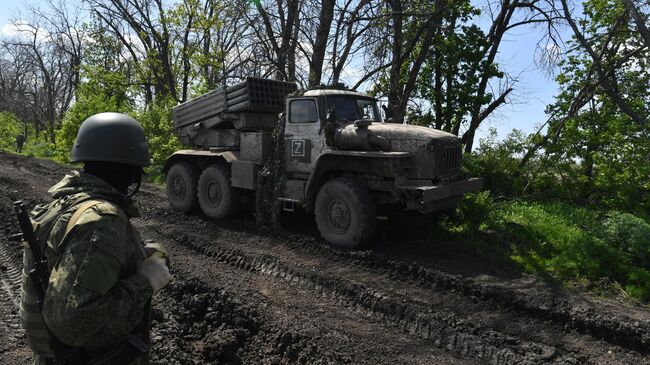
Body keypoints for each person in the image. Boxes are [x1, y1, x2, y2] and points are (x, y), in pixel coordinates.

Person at [20, 112, 172, 365]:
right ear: (134, 172)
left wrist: (133, 253)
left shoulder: (68, 204)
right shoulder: (102, 220)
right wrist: (146, 281)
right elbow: (75, 322)